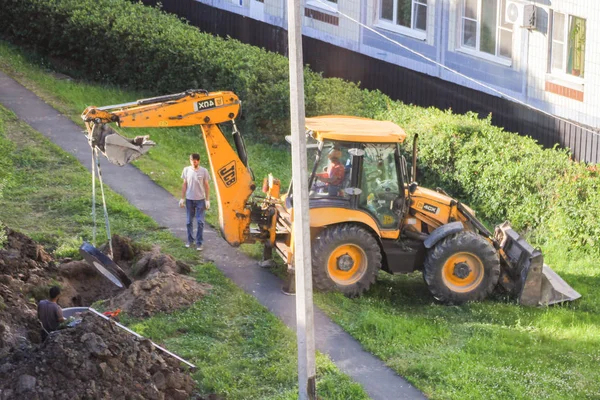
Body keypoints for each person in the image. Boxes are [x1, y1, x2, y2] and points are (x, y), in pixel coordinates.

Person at [180, 153, 211, 251]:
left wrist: (207, 200)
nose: (194, 161)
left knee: (200, 221)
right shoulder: (186, 170)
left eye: (196, 160)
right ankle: (190, 240)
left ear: (199, 161)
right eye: (193, 160)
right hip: (189, 199)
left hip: (200, 200)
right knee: (189, 221)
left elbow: (206, 185)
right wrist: (182, 198)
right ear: (190, 160)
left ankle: (199, 243)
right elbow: (184, 184)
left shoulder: (204, 171)